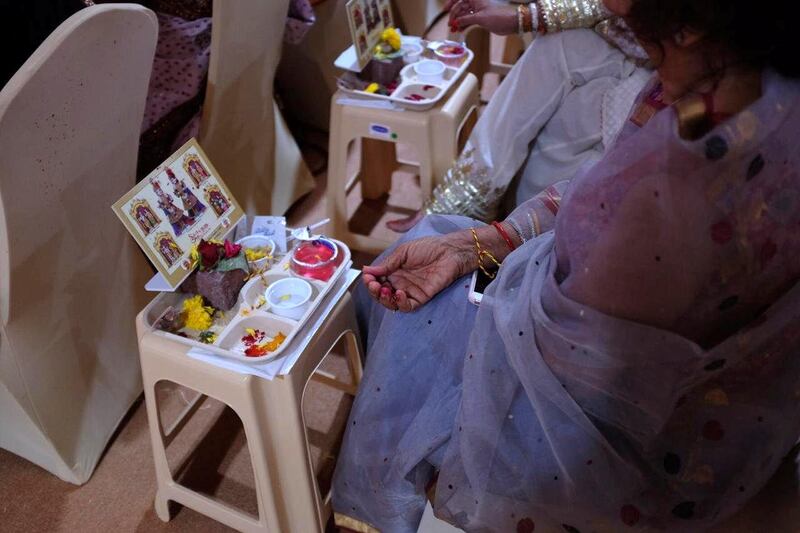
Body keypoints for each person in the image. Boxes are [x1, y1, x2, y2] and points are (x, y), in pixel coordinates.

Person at [332, 0, 800, 530]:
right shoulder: (749, 94)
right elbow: (590, 186)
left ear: (690, 25)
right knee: (437, 241)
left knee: (414, 306)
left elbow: (558, 377)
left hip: (618, 445)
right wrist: (479, 244)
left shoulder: (671, 193)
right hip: (719, 417)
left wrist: (485, 272)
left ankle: (377, 511)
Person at [386, 0, 652, 232]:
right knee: (557, 45)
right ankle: (468, 201)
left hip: (659, 70)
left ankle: (483, 219)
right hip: (614, 37)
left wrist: (522, 17)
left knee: (563, 140)